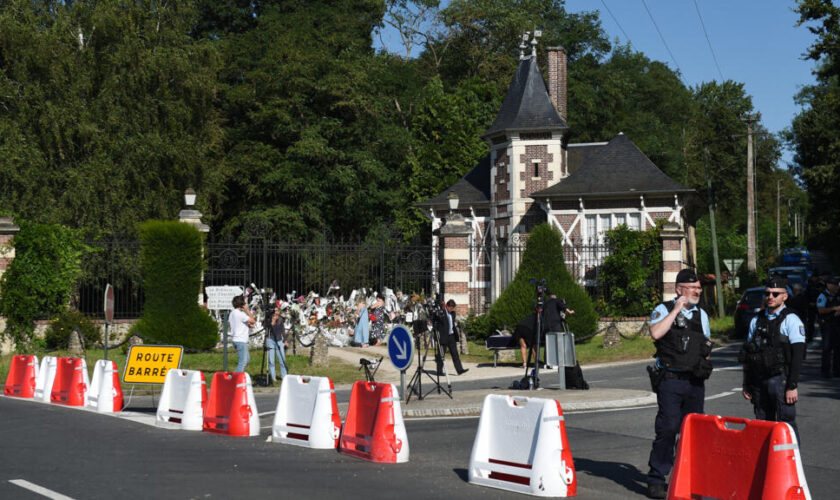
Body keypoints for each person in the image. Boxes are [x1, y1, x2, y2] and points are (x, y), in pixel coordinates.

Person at [645, 269, 712, 499]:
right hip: (670, 380)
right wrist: (676, 310)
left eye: (699, 288)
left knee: (694, 433)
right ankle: (656, 478)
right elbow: (656, 333)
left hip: (694, 382)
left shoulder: (701, 314)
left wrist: (704, 364)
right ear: (679, 289)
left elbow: (706, 344)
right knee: (668, 428)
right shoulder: (663, 309)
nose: (698, 291)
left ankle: (691, 480)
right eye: (693, 288)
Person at [741, 276, 806, 443]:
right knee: (762, 424)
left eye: (775, 294)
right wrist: (746, 382)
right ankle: (766, 463)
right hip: (759, 380)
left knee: (786, 424)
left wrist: (792, 385)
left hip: (780, 379)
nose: (770, 297)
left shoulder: (791, 319)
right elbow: (748, 353)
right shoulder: (757, 319)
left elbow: (798, 355)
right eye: (768, 293)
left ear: (785, 296)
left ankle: (792, 462)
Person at [433, 299, 469, 375]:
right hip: (443, 336)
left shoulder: (453, 314)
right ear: (447, 306)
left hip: (451, 336)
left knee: (455, 353)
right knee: (441, 354)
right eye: (451, 307)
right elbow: (436, 321)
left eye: (453, 308)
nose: (452, 309)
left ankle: (459, 370)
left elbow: (452, 323)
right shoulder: (442, 313)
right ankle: (439, 371)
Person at [817, 276, 840, 378]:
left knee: (837, 348)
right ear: (829, 285)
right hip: (827, 325)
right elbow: (821, 310)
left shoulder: (838, 295)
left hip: (837, 324)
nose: (837, 287)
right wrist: (834, 309)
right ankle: (825, 371)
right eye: (835, 285)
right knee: (827, 348)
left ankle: (837, 370)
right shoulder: (823, 295)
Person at [230, 295, 256, 373]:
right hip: (241, 340)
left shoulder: (232, 313)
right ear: (242, 304)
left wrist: (247, 325)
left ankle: (237, 377)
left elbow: (239, 323)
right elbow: (253, 320)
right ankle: (235, 379)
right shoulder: (240, 314)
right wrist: (247, 311)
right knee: (243, 362)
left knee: (247, 360)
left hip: (236, 339)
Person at [267, 308, 288, 384]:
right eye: (274, 311)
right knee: (271, 360)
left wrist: (285, 340)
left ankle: (284, 376)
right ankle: (273, 377)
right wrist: (273, 320)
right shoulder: (269, 319)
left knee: (282, 359)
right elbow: (270, 328)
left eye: (277, 311)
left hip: (279, 340)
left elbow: (283, 330)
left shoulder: (280, 319)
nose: (276, 313)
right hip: (271, 340)